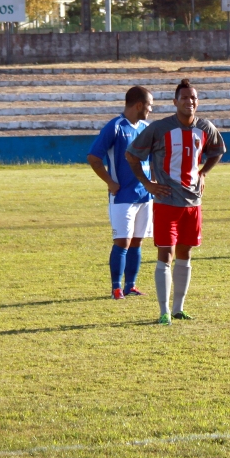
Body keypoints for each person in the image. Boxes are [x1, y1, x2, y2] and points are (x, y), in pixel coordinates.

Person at [125, 79, 226, 325]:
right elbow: (132, 155)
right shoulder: (160, 128)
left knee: (185, 253)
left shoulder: (205, 127)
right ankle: (164, 312)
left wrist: (203, 173)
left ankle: (179, 308)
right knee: (165, 253)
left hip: (193, 203)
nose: (189, 101)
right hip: (166, 202)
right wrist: (147, 183)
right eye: (184, 98)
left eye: (193, 98)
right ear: (175, 102)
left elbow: (217, 151)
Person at [87, 86, 155, 300]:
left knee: (137, 241)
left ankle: (130, 286)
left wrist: (153, 180)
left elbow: (152, 158)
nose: (151, 109)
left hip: (145, 195)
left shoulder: (146, 128)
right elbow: (94, 157)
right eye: (149, 105)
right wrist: (110, 182)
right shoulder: (115, 127)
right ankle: (116, 288)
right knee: (122, 242)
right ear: (139, 105)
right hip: (122, 196)